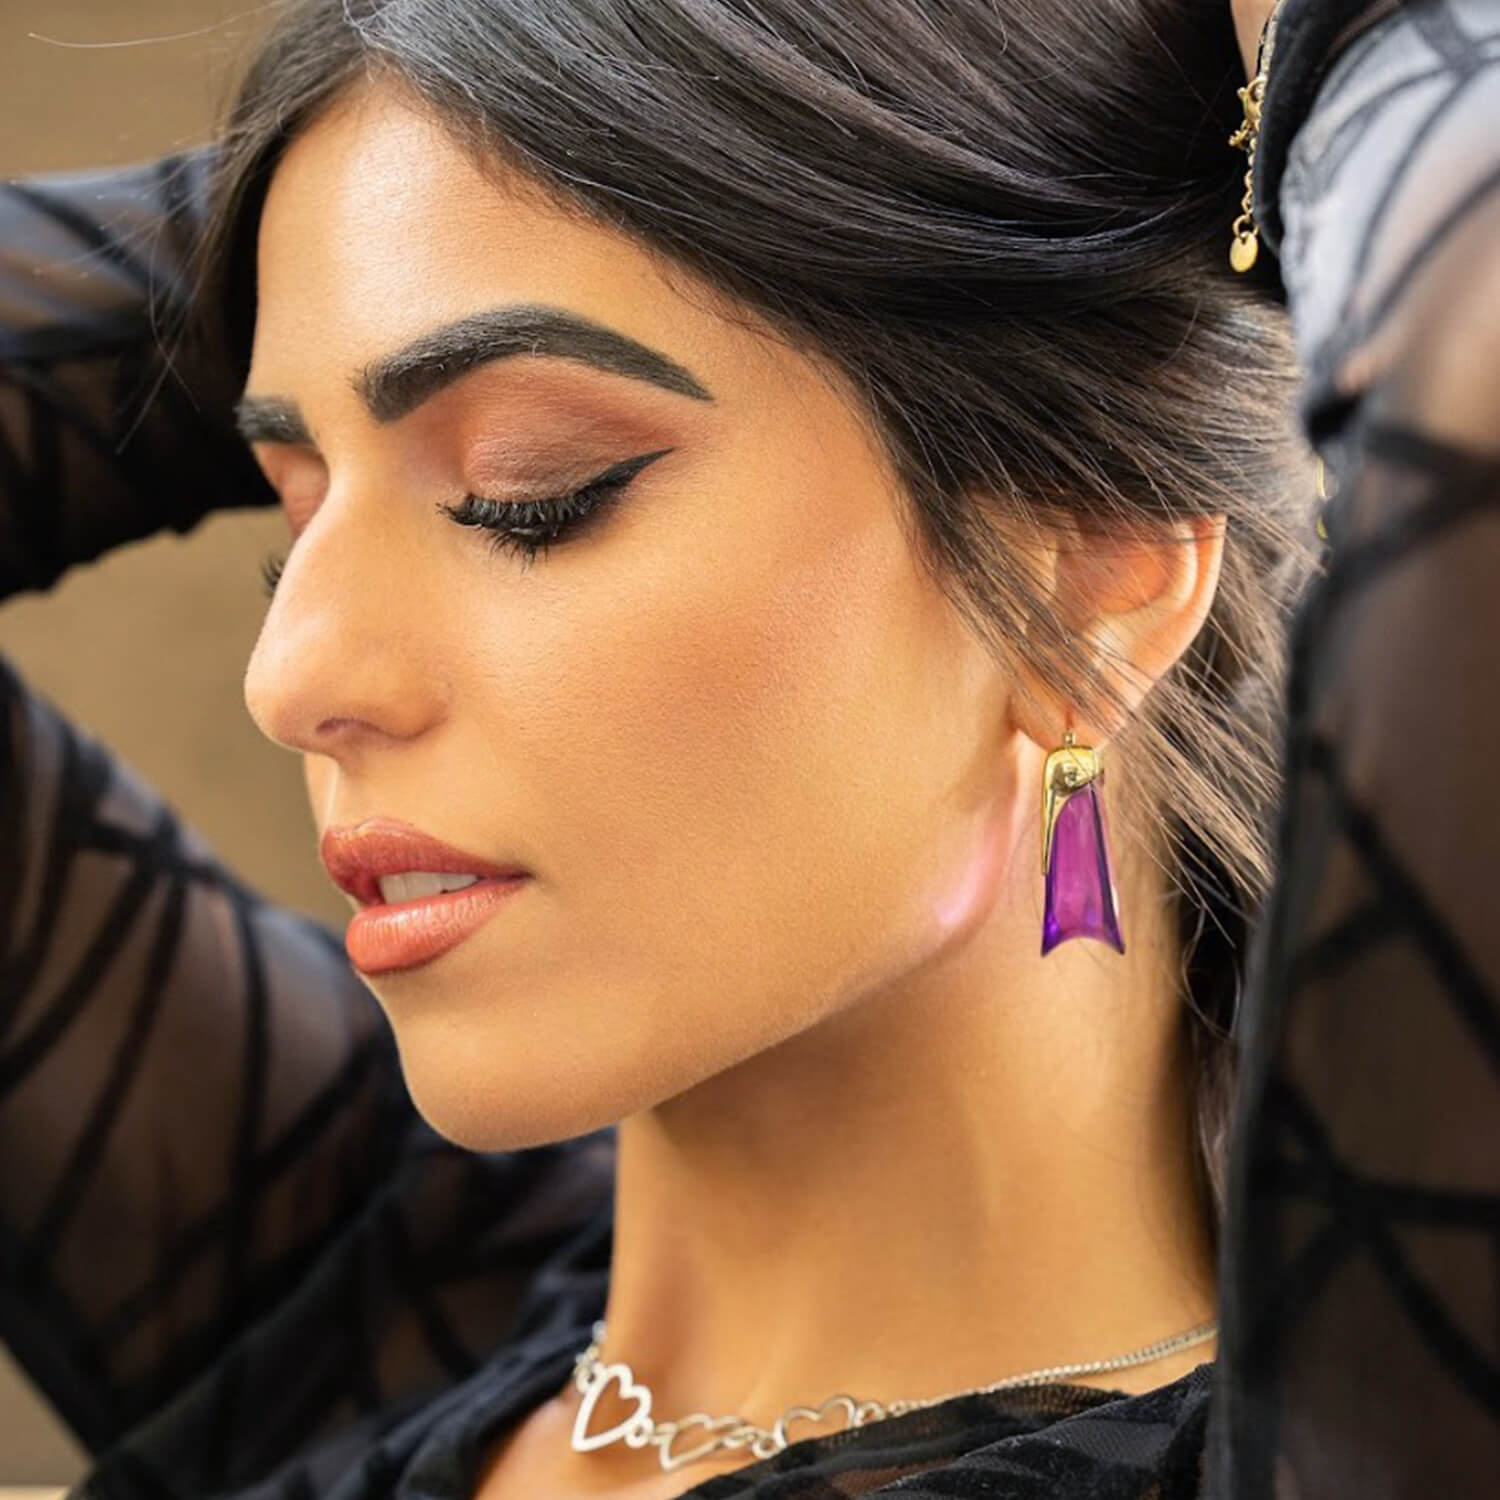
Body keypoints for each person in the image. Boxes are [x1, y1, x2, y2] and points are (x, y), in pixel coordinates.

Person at [0, 1, 1495, 1497]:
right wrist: (408, 115)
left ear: (1093, 577)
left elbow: (1471, 352)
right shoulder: (363, 1322)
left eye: (530, 491)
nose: (295, 674)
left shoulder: (1366, 1439)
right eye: (299, 504)